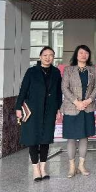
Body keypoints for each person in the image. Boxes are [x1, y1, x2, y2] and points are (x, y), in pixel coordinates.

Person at [15, 47, 62, 182]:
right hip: (33, 110)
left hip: (49, 110)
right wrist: (18, 107)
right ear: (40, 57)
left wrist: (58, 108)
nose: (48, 57)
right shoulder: (31, 71)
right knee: (33, 139)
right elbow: (23, 90)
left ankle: (43, 168)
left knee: (45, 139)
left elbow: (58, 92)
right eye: (45, 55)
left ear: (53, 57)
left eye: (51, 55)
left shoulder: (56, 72)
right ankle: (36, 169)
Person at [61, 45, 96, 178]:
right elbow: (64, 87)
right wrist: (76, 102)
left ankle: (81, 165)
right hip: (72, 108)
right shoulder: (69, 70)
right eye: (81, 53)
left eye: (86, 53)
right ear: (76, 55)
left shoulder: (92, 69)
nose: (84, 55)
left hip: (87, 107)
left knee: (84, 136)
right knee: (71, 137)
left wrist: (88, 101)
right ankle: (72, 166)